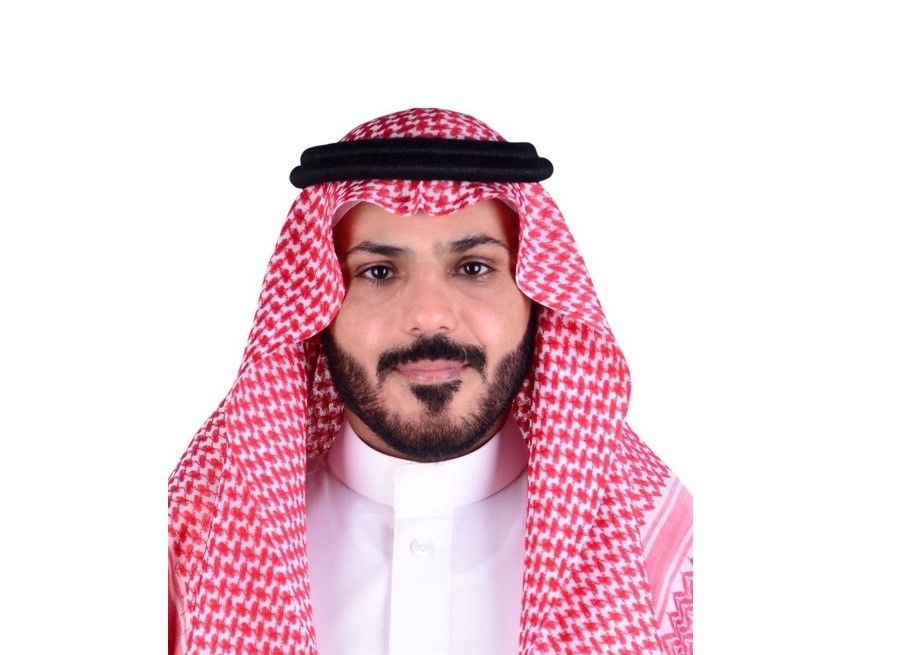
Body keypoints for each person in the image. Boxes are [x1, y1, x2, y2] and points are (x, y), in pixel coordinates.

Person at [168, 107, 693, 655]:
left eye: (474, 267)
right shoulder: (188, 549)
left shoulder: (664, 554)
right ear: (317, 306)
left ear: (536, 297)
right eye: (378, 272)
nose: (429, 315)